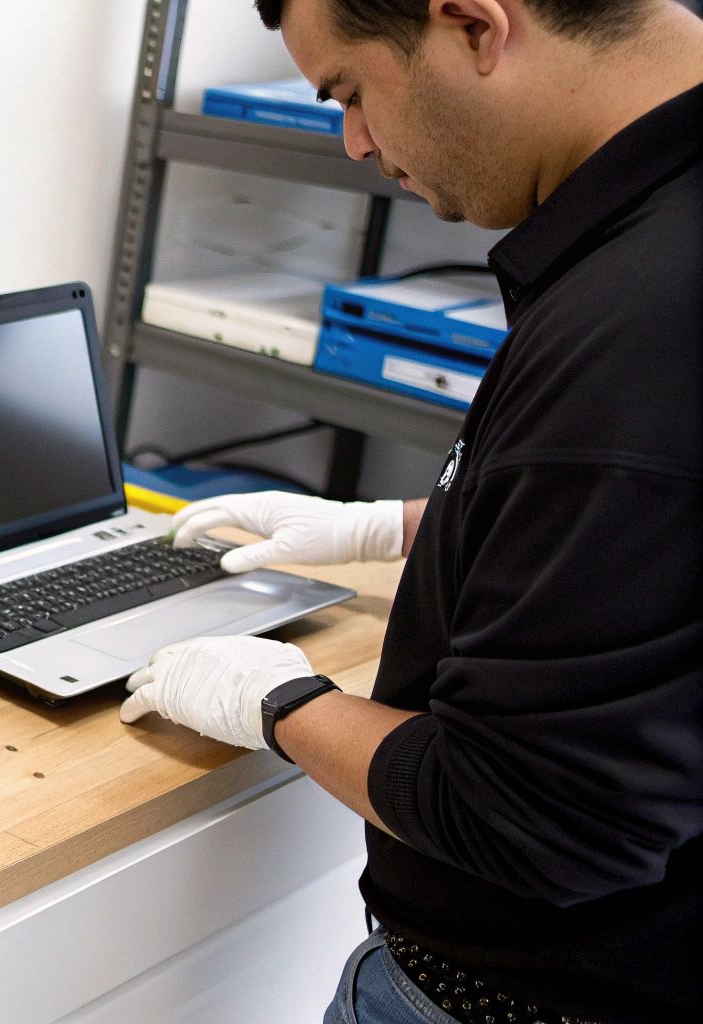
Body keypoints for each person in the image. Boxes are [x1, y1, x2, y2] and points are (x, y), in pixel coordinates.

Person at [115, 1, 703, 1021]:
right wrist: (391, 525)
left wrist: (282, 703)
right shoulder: (654, 237)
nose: (353, 141)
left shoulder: (636, 326)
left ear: (473, 24)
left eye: (347, 90)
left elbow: (535, 821)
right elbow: (645, 542)